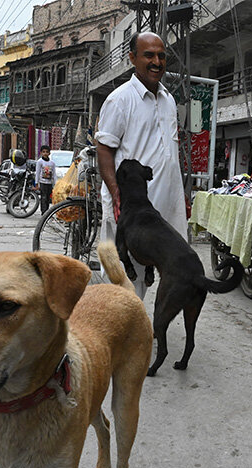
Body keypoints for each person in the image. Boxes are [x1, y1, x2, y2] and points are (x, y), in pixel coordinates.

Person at [95, 31, 187, 298]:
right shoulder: (120, 99)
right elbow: (104, 149)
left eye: (161, 55)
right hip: (132, 207)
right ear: (132, 58)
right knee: (123, 274)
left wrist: (180, 195)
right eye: (148, 55)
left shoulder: (168, 99)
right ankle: (117, 333)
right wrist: (115, 194)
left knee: (152, 270)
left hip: (162, 204)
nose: (156, 61)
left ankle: (136, 329)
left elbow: (169, 152)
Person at [34, 145, 56, 214]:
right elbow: (37, 172)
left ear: (49, 153)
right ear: (41, 153)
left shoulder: (52, 163)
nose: (45, 153)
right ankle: (43, 212)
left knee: (48, 198)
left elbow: (54, 174)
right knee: (43, 197)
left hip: (49, 183)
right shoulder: (40, 162)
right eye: (43, 152)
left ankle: (47, 211)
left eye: (47, 152)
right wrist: (37, 183)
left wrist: (55, 184)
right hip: (42, 182)